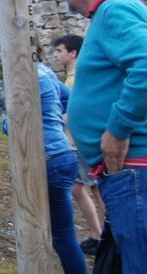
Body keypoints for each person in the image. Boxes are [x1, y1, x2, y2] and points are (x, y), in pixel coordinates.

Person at [64, 0, 147, 272]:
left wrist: (117, 130)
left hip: (136, 169)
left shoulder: (114, 9)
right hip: (136, 171)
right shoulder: (119, 9)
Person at [2, 46, 87, 273]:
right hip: (63, 153)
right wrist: (54, 118)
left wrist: (5, 124)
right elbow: (70, 99)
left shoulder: (27, 77)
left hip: (46, 157)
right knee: (64, 233)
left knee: (58, 235)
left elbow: (15, 123)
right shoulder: (46, 72)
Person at [51, 34, 104, 254]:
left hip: (77, 142)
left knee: (80, 188)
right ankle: (102, 233)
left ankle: (97, 234)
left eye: (60, 51)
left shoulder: (76, 79)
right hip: (79, 140)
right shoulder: (75, 77)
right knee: (93, 189)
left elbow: (76, 111)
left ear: (73, 53)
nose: (56, 55)